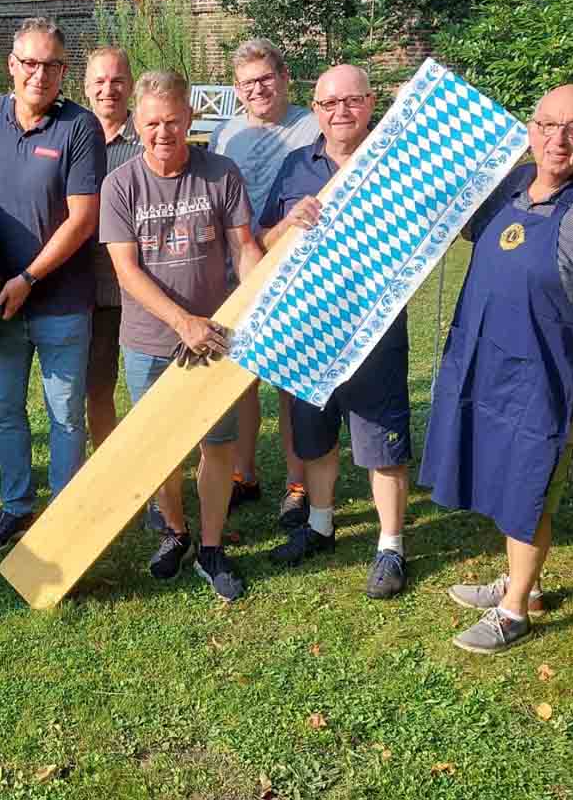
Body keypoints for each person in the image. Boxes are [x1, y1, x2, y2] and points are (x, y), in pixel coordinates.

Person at [423, 84, 573, 653]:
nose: (558, 139)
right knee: (501, 475)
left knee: (528, 488)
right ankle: (526, 582)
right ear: (530, 129)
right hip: (489, 362)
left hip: (548, 380)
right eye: (547, 125)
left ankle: (514, 610)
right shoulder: (508, 185)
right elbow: (449, 218)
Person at [0, 17, 105, 554]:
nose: (40, 74)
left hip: (59, 299)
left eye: (52, 65)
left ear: (64, 70)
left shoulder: (79, 128)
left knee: (64, 415)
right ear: (12, 66)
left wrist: (29, 278)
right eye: (30, 63)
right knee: (5, 409)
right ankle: (15, 507)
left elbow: (83, 219)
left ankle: (64, 515)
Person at [100, 71, 261, 600]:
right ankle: (175, 531)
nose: (163, 132)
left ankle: (211, 547)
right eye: (151, 123)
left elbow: (244, 248)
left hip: (216, 333)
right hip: (149, 339)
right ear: (136, 124)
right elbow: (127, 271)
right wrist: (181, 323)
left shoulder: (221, 172)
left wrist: (259, 298)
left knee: (217, 445)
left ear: (190, 119)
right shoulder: (120, 184)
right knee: (159, 446)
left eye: (172, 121)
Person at [258, 65, 414, 599]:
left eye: (351, 101)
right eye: (328, 104)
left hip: (376, 333)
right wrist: (288, 223)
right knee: (316, 439)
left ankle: (391, 546)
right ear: (315, 109)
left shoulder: (398, 166)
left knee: (382, 446)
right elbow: (262, 243)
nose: (340, 112)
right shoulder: (296, 166)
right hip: (310, 330)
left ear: (372, 103)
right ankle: (320, 528)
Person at [209, 39, 319, 519]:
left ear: (284, 76)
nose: (258, 89)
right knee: (241, 377)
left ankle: (298, 484)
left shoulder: (311, 126)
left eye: (265, 79)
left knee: (289, 378)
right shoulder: (226, 133)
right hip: (234, 267)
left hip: (294, 269)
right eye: (248, 83)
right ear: (237, 89)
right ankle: (243, 474)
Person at [83, 46, 143, 454]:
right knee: (97, 388)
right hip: (91, 290)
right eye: (100, 81)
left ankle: (159, 480)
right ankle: (109, 467)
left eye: (118, 80)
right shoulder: (74, 138)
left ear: (131, 85)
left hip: (144, 286)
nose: (109, 89)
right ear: (86, 88)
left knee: (151, 392)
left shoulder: (148, 138)